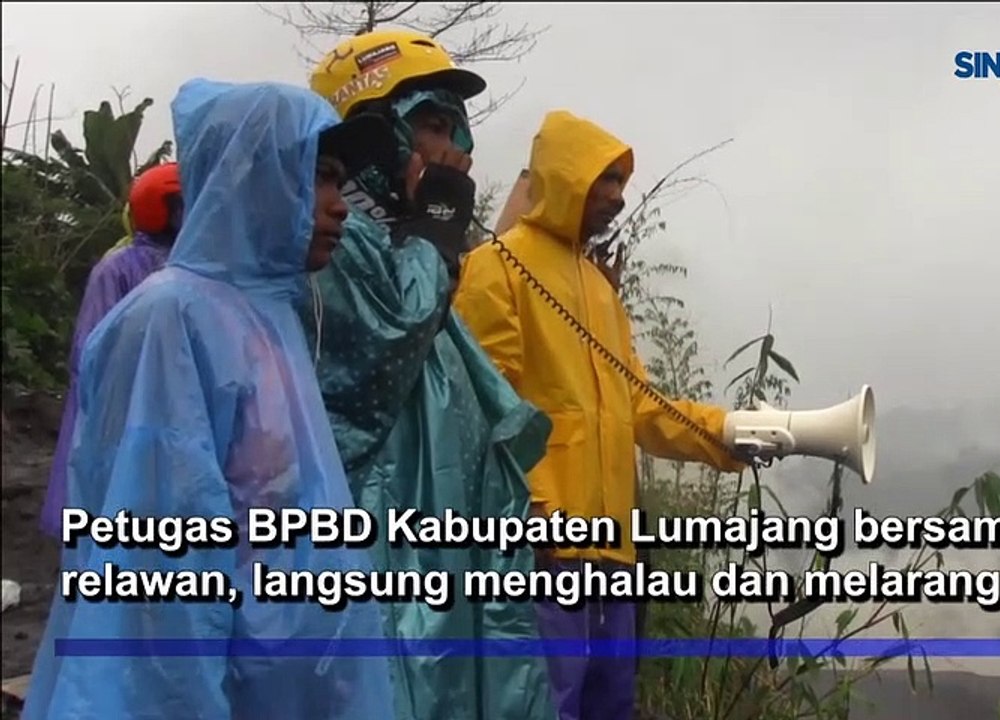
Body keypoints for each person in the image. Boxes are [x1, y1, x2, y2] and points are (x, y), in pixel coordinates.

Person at [20, 77, 399, 720]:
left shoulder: (269, 317)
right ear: (247, 177)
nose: (340, 206)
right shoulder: (171, 320)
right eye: (318, 177)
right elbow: (156, 583)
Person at [452, 109, 751, 720]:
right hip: (543, 550)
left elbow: (641, 408)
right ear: (563, 179)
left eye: (620, 184)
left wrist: (727, 435)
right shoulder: (497, 267)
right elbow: (483, 403)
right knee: (540, 705)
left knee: (608, 705)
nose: (616, 199)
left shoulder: (600, 289)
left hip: (612, 557)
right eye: (603, 181)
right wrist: (531, 514)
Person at [305, 30, 557, 720]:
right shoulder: (338, 240)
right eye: (433, 126)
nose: (456, 152)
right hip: (389, 537)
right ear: (376, 132)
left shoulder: (405, 238)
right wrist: (441, 216)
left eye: (458, 130)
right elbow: (387, 343)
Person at [40, 162, 183, 538]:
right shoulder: (119, 265)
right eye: (180, 206)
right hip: (120, 396)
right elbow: (92, 344)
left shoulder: (188, 263)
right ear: (158, 207)